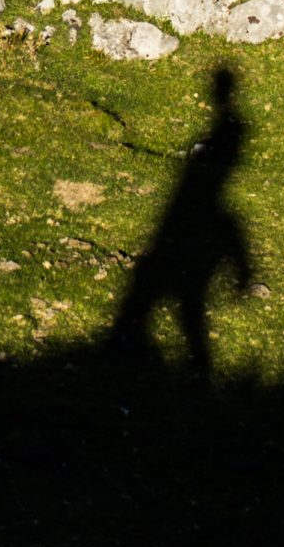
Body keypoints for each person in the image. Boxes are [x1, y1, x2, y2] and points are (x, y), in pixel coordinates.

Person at [108, 67, 252, 375]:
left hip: (177, 228)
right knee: (186, 304)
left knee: (176, 302)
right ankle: (194, 365)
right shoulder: (227, 141)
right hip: (182, 227)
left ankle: (135, 356)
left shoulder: (222, 142)